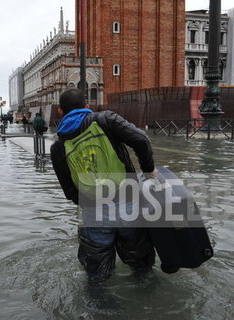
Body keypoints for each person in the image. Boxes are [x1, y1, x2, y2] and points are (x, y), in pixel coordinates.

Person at [50, 88, 157, 281]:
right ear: (87, 107)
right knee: (141, 267)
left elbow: (69, 191)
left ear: (60, 111)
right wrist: (149, 171)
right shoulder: (105, 120)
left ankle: (99, 309)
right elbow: (141, 140)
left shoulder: (58, 146)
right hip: (128, 204)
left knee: (97, 276)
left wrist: (90, 202)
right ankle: (147, 302)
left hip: (93, 212)